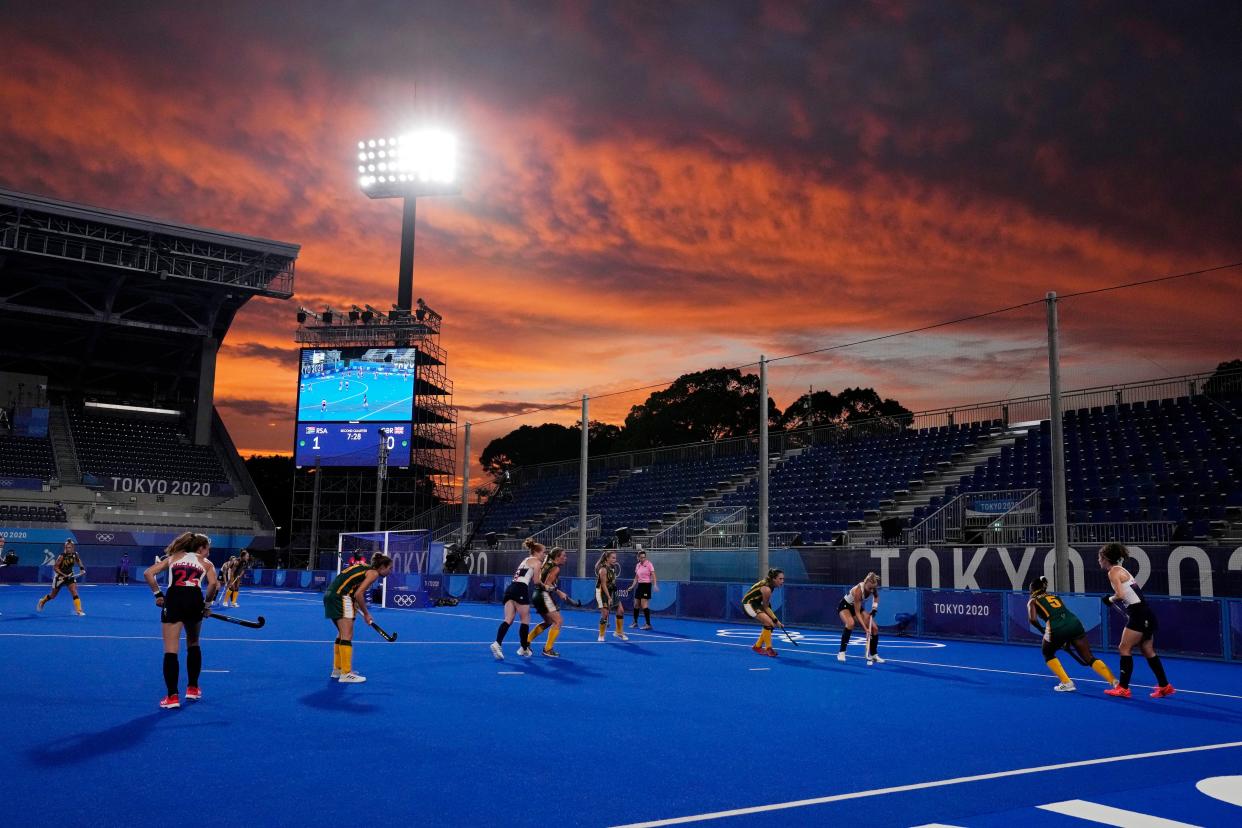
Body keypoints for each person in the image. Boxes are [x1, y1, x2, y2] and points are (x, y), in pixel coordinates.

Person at [144, 532, 219, 709]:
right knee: (193, 643)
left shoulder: (173, 557)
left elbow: (149, 573)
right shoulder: (206, 563)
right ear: (201, 548)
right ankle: (192, 688)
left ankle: (172, 697)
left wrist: (158, 595)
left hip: (174, 598)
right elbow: (213, 585)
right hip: (194, 599)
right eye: (208, 549)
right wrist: (206, 605)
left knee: (171, 650)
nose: (208, 553)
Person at [1099, 543, 1174, 699]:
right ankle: (1164, 686)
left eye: (1100, 558)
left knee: (1124, 648)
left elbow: (1119, 595)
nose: (1099, 560)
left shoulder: (1113, 572)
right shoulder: (1122, 570)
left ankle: (1123, 688)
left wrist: (1109, 598)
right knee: (1148, 650)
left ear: (1105, 558)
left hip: (1139, 614)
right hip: (1145, 612)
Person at [1026, 575, 1118, 692]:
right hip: (1074, 623)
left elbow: (1032, 620)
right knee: (1089, 657)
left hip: (1056, 627)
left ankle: (1066, 682)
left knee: (1047, 652)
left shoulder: (1032, 601)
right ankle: (1114, 681)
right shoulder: (1054, 596)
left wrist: (1043, 631)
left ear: (1033, 589)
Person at [323, 551, 394, 683]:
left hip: (331, 595)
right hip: (341, 597)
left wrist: (354, 603)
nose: (390, 571)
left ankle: (338, 670)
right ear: (382, 567)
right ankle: (346, 673)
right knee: (347, 635)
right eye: (389, 568)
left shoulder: (364, 568)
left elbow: (353, 590)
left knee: (341, 634)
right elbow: (359, 594)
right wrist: (366, 614)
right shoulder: (373, 573)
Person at [492, 538, 546, 660]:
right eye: (543, 552)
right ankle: (524, 648)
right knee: (525, 619)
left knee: (508, 619)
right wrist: (546, 586)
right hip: (520, 589)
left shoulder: (525, 560)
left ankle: (497, 643)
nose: (544, 555)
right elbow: (536, 581)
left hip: (511, 588)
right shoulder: (537, 562)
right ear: (537, 552)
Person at [528, 547, 571, 658]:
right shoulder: (555, 568)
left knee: (548, 621)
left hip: (536, 595)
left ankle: (526, 641)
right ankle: (547, 649)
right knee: (558, 621)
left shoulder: (547, 563)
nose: (565, 558)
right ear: (557, 557)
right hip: (543, 595)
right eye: (564, 556)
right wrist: (560, 592)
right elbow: (548, 584)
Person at [837, 572, 883, 665]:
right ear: (866, 583)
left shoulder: (872, 588)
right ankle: (841, 652)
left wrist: (874, 608)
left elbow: (876, 597)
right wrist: (865, 629)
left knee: (875, 628)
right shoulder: (858, 591)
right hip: (845, 606)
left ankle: (874, 654)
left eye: (873, 588)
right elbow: (857, 613)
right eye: (870, 588)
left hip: (856, 607)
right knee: (850, 623)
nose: (871, 590)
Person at [741, 568, 785, 657]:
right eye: (780, 579)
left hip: (756, 603)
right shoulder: (767, 589)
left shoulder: (770, 585)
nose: (782, 581)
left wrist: (776, 621)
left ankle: (757, 646)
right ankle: (768, 648)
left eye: (783, 579)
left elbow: (766, 606)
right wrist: (777, 621)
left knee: (770, 624)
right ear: (774, 579)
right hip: (748, 604)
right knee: (769, 623)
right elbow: (765, 606)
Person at [37, 539, 87, 615]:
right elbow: (55, 568)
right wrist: (64, 575)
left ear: (73, 547)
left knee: (74, 592)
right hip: (59, 577)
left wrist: (82, 569)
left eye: (69, 547)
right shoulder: (62, 556)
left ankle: (79, 610)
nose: (68, 549)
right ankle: (42, 601)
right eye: (66, 547)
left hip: (70, 576)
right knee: (53, 595)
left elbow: (78, 560)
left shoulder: (75, 554)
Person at [595, 550, 629, 642]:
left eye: (615, 558)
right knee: (605, 614)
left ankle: (619, 632)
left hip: (611, 591)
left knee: (621, 611)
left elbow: (611, 582)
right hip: (602, 592)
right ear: (607, 558)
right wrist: (609, 597)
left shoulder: (613, 567)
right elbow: (603, 584)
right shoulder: (603, 569)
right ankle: (601, 635)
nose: (615, 559)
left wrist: (613, 589)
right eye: (613, 558)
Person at [629, 545, 659, 629]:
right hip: (640, 586)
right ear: (638, 557)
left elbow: (653, 575)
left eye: (644, 557)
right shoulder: (638, 565)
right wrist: (632, 586)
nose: (643, 559)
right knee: (636, 604)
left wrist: (655, 584)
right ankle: (635, 622)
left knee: (644, 604)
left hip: (646, 585)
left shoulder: (649, 564)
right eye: (641, 557)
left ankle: (648, 624)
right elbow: (636, 577)